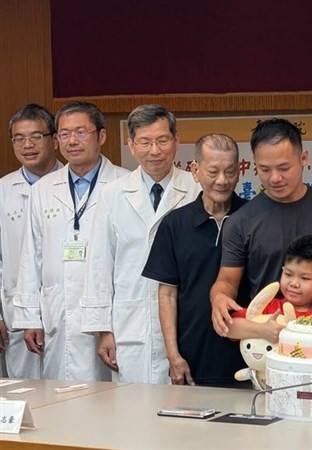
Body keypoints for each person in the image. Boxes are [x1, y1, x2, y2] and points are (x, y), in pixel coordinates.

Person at [81, 104, 200, 384]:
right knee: (134, 411)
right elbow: (99, 263)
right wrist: (103, 330)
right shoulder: (112, 195)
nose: (155, 150)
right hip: (129, 323)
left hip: (186, 320)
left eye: (162, 140)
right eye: (145, 142)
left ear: (176, 142)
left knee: (185, 410)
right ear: (131, 145)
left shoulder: (197, 189)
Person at [210, 118, 312, 338]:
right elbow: (227, 281)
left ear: (303, 158)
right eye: (265, 169)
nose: (275, 178)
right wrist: (219, 297)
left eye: (284, 168)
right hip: (266, 338)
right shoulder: (241, 220)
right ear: (253, 165)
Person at [13, 102, 128, 381]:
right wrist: (30, 318)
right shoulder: (43, 189)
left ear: (101, 136)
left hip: (110, 317)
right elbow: (32, 256)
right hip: (58, 312)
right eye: (64, 134)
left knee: (110, 400)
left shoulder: (123, 185)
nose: (72, 141)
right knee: (62, 396)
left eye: (81, 132)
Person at [142, 134, 247, 386]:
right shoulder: (175, 224)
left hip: (247, 353)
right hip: (193, 354)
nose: (222, 180)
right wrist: (173, 355)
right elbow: (166, 294)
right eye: (213, 172)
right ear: (195, 170)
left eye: (230, 172)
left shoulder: (252, 218)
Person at [0, 104, 62, 379]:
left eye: (36, 136)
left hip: (63, 310)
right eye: (19, 138)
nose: (27, 145)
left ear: (54, 139)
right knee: (23, 395)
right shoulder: (3, 190)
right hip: (14, 312)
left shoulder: (74, 185)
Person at [227, 235, 312, 342]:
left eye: (304, 278)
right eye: (288, 274)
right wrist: (262, 330)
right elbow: (229, 327)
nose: (294, 283)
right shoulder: (269, 307)